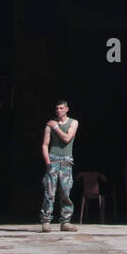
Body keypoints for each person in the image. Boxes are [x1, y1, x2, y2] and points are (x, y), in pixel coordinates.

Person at [41, 99, 79, 231]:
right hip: (53, 160)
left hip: (66, 161)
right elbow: (45, 144)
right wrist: (47, 162)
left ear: (67, 109)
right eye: (57, 108)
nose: (59, 111)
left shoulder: (73, 122)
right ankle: (46, 221)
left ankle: (65, 221)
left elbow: (67, 138)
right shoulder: (49, 125)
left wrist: (56, 127)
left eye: (61, 108)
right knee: (49, 192)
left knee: (65, 192)